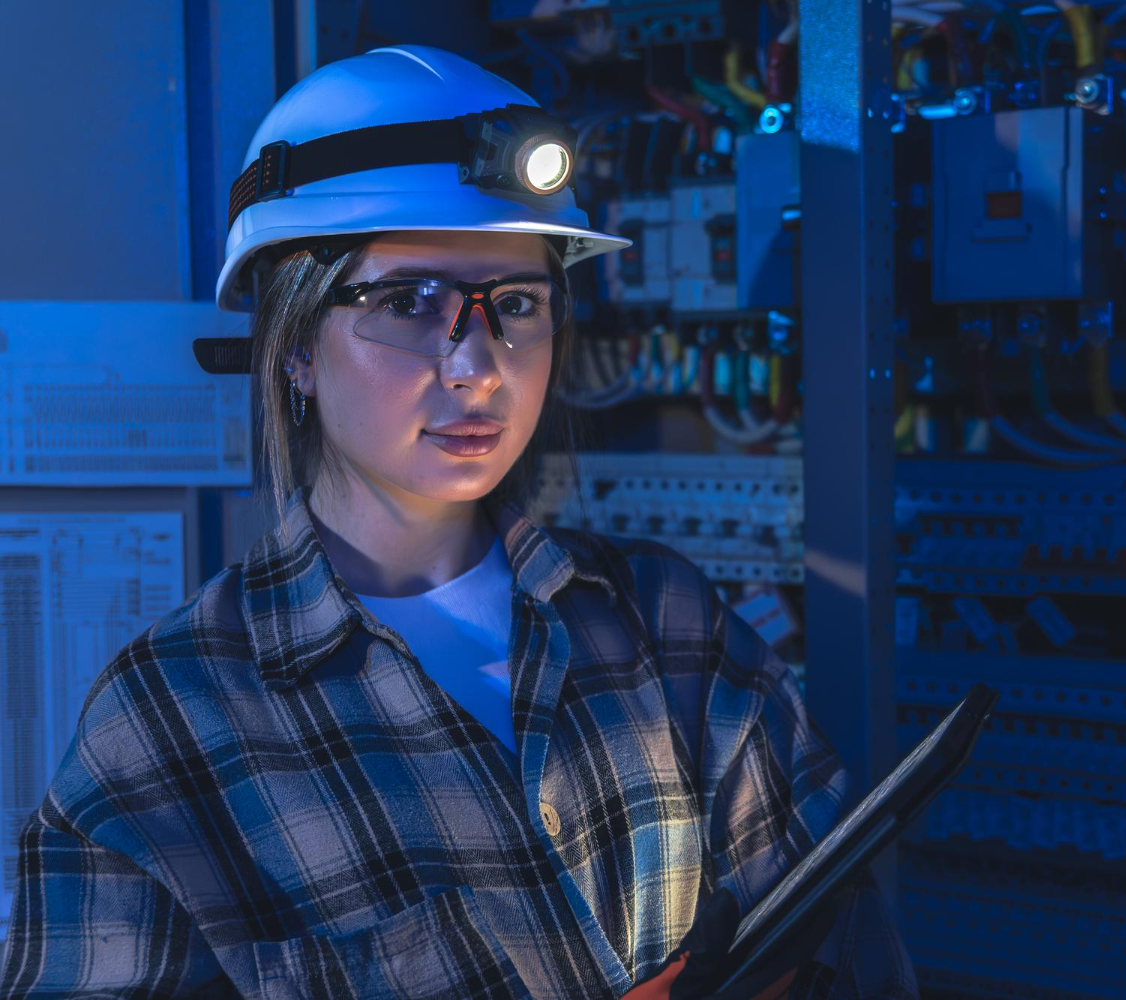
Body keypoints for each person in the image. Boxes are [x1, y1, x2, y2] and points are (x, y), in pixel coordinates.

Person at [0, 44, 916, 999]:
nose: (479, 363)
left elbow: (852, 954)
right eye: (407, 301)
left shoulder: (664, 626)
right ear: (294, 347)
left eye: (516, 304)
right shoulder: (167, 723)